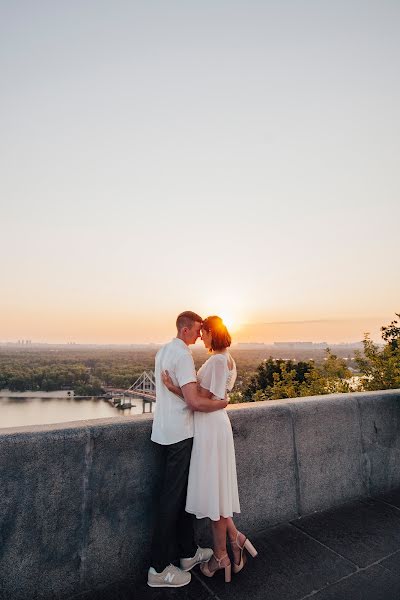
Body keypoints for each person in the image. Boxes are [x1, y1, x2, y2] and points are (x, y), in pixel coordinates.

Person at [162, 316, 258, 583]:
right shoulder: (227, 358)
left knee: (215, 492)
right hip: (214, 425)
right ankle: (235, 538)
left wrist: (173, 388)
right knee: (218, 489)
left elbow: (200, 399)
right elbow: (214, 397)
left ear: (212, 333)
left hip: (210, 428)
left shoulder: (217, 361)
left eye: (204, 333)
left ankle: (220, 557)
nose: (201, 337)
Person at [147, 311, 229, 589]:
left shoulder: (163, 351)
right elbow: (195, 401)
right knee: (171, 501)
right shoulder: (183, 356)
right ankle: (158, 568)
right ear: (185, 330)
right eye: (196, 330)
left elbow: (176, 392)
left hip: (163, 432)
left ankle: (187, 553)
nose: (199, 335)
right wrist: (221, 404)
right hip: (180, 435)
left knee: (179, 497)